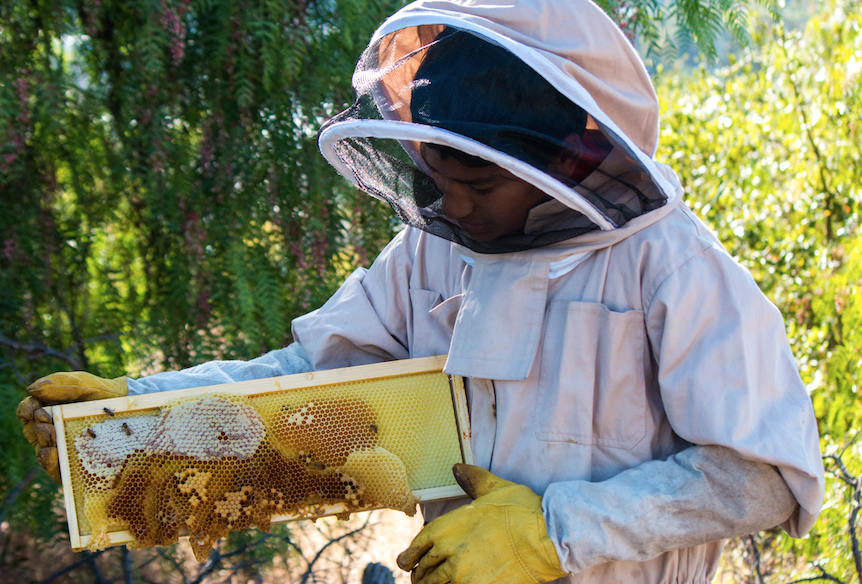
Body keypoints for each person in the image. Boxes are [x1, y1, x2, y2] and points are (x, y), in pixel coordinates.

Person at [19, 1, 824, 583]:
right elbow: (312, 371)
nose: (455, 207)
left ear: (571, 157)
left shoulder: (674, 269)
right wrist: (142, 415)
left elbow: (760, 476)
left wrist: (556, 533)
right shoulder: (430, 250)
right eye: (436, 177)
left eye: (476, 181)